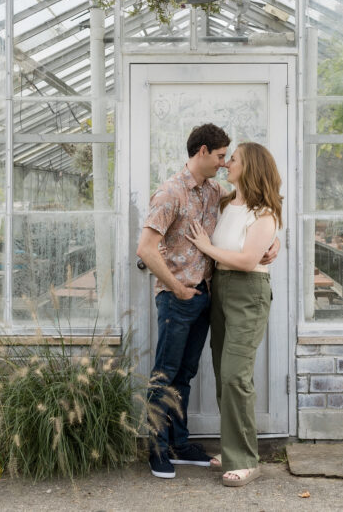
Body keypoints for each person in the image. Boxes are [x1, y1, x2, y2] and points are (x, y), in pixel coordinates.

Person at [136, 123, 278, 480]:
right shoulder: (170, 192)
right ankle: (156, 447)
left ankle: (180, 443)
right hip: (177, 297)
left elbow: (255, 219)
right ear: (202, 152)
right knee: (165, 374)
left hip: (207, 296)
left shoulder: (217, 193)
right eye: (219, 156)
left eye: (229, 158)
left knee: (186, 374)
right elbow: (146, 249)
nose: (224, 162)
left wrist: (273, 244)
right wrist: (176, 287)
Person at [187, 141, 283, 488]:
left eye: (234, 159)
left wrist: (206, 248)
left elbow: (246, 260)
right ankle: (231, 452)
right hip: (221, 289)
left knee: (235, 376)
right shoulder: (225, 203)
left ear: (250, 167)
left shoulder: (265, 213)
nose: (227, 164)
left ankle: (246, 460)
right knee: (222, 372)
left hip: (248, 291)